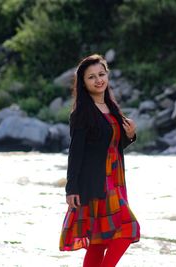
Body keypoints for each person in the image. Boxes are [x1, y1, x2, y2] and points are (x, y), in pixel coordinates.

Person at [59, 54, 140, 267]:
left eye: (101, 74)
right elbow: (76, 153)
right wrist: (71, 189)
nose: (98, 80)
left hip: (115, 179)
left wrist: (130, 135)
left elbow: (109, 147)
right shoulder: (81, 114)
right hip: (96, 183)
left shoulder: (112, 109)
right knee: (129, 228)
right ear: (83, 83)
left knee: (98, 242)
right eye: (91, 77)